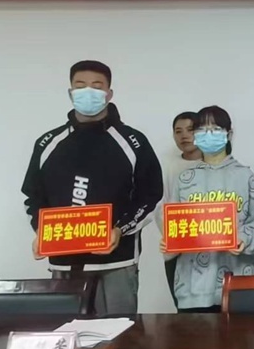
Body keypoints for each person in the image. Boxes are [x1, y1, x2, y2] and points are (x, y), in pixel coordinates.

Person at [21, 60, 162, 315]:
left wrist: (120, 229)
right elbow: (33, 195)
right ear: (70, 93)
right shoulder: (48, 142)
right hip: (63, 263)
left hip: (116, 263)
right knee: (68, 332)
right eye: (80, 85)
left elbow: (150, 195)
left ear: (109, 93)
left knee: (120, 334)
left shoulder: (133, 141)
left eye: (97, 86)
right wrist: (40, 230)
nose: (88, 92)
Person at [162, 105, 254, 312]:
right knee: (195, 332)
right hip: (194, 286)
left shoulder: (244, 176)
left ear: (229, 134)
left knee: (238, 333)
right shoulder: (185, 179)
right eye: (202, 129)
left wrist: (244, 240)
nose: (209, 134)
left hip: (237, 281)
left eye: (216, 129)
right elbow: (174, 226)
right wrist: (170, 243)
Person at [157, 111, 201, 307]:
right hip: (177, 247)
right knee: (183, 306)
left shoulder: (214, 164)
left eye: (191, 130)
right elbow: (160, 206)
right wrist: (177, 237)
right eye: (178, 131)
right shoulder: (166, 166)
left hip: (210, 247)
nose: (184, 136)